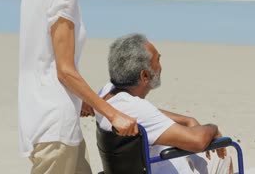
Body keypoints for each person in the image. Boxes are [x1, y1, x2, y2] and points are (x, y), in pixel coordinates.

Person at [18, 0, 137, 173]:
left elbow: (43, 60)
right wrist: (111, 113)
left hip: (40, 116)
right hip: (54, 123)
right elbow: (64, 69)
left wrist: (81, 100)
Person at [96, 33, 234, 174]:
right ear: (145, 76)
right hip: (163, 167)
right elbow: (197, 141)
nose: (160, 67)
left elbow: (149, 114)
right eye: (158, 60)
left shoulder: (106, 95)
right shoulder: (138, 109)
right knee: (223, 155)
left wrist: (187, 120)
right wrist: (213, 129)